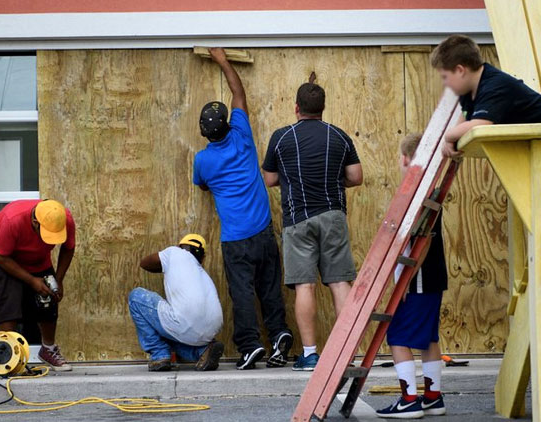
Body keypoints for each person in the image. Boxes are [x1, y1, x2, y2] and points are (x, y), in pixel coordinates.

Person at [192, 47, 292, 370]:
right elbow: (238, 92)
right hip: (263, 231)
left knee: (243, 293)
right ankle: (278, 336)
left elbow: (204, 185)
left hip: (235, 239)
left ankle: (250, 346)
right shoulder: (243, 135)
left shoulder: (203, 161)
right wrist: (223, 60)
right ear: (229, 123)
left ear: (205, 133)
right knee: (269, 288)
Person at [261, 81, 363, 371]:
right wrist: (332, 181)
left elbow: (269, 179)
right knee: (340, 282)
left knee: (304, 285)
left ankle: (310, 355)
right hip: (333, 217)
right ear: (322, 109)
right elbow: (356, 177)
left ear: (296, 108)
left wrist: (293, 180)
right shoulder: (339, 136)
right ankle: (346, 353)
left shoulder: (282, 137)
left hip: (298, 219)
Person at [376, 133, 448, 418]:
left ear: (406, 159)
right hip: (434, 276)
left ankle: (409, 399)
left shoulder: (417, 194)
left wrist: (406, 276)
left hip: (418, 278)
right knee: (429, 338)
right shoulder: (429, 190)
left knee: (397, 336)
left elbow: (425, 239)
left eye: (399, 156)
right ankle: (432, 397)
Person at [0, 199, 75, 371]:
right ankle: (11, 355)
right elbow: (1, 257)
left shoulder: (64, 218)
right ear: (35, 222)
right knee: (9, 303)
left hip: (37, 257)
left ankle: (48, 349)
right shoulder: (12, 220)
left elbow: (68, 248)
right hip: (3, 256)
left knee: (49, 298)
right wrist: (31, 281)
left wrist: (59, 280)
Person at [432, 34, 541, 158]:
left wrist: (448, 135)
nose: (444, 83)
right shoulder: (469, 90)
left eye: (445, 77)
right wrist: (450, 140)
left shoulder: (495, 85)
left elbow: (479, 125)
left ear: (460, 70)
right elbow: (465, 118)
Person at [129, 234, 224, 372]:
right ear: (202, 258)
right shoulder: (202, 274)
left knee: (135, 297)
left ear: (181, 246)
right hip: (212, 330)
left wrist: (165, 264)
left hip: (184, 323)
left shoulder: (175, 252)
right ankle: (203, 351)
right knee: (168, 330)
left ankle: (159, 355)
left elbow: (145, 263)